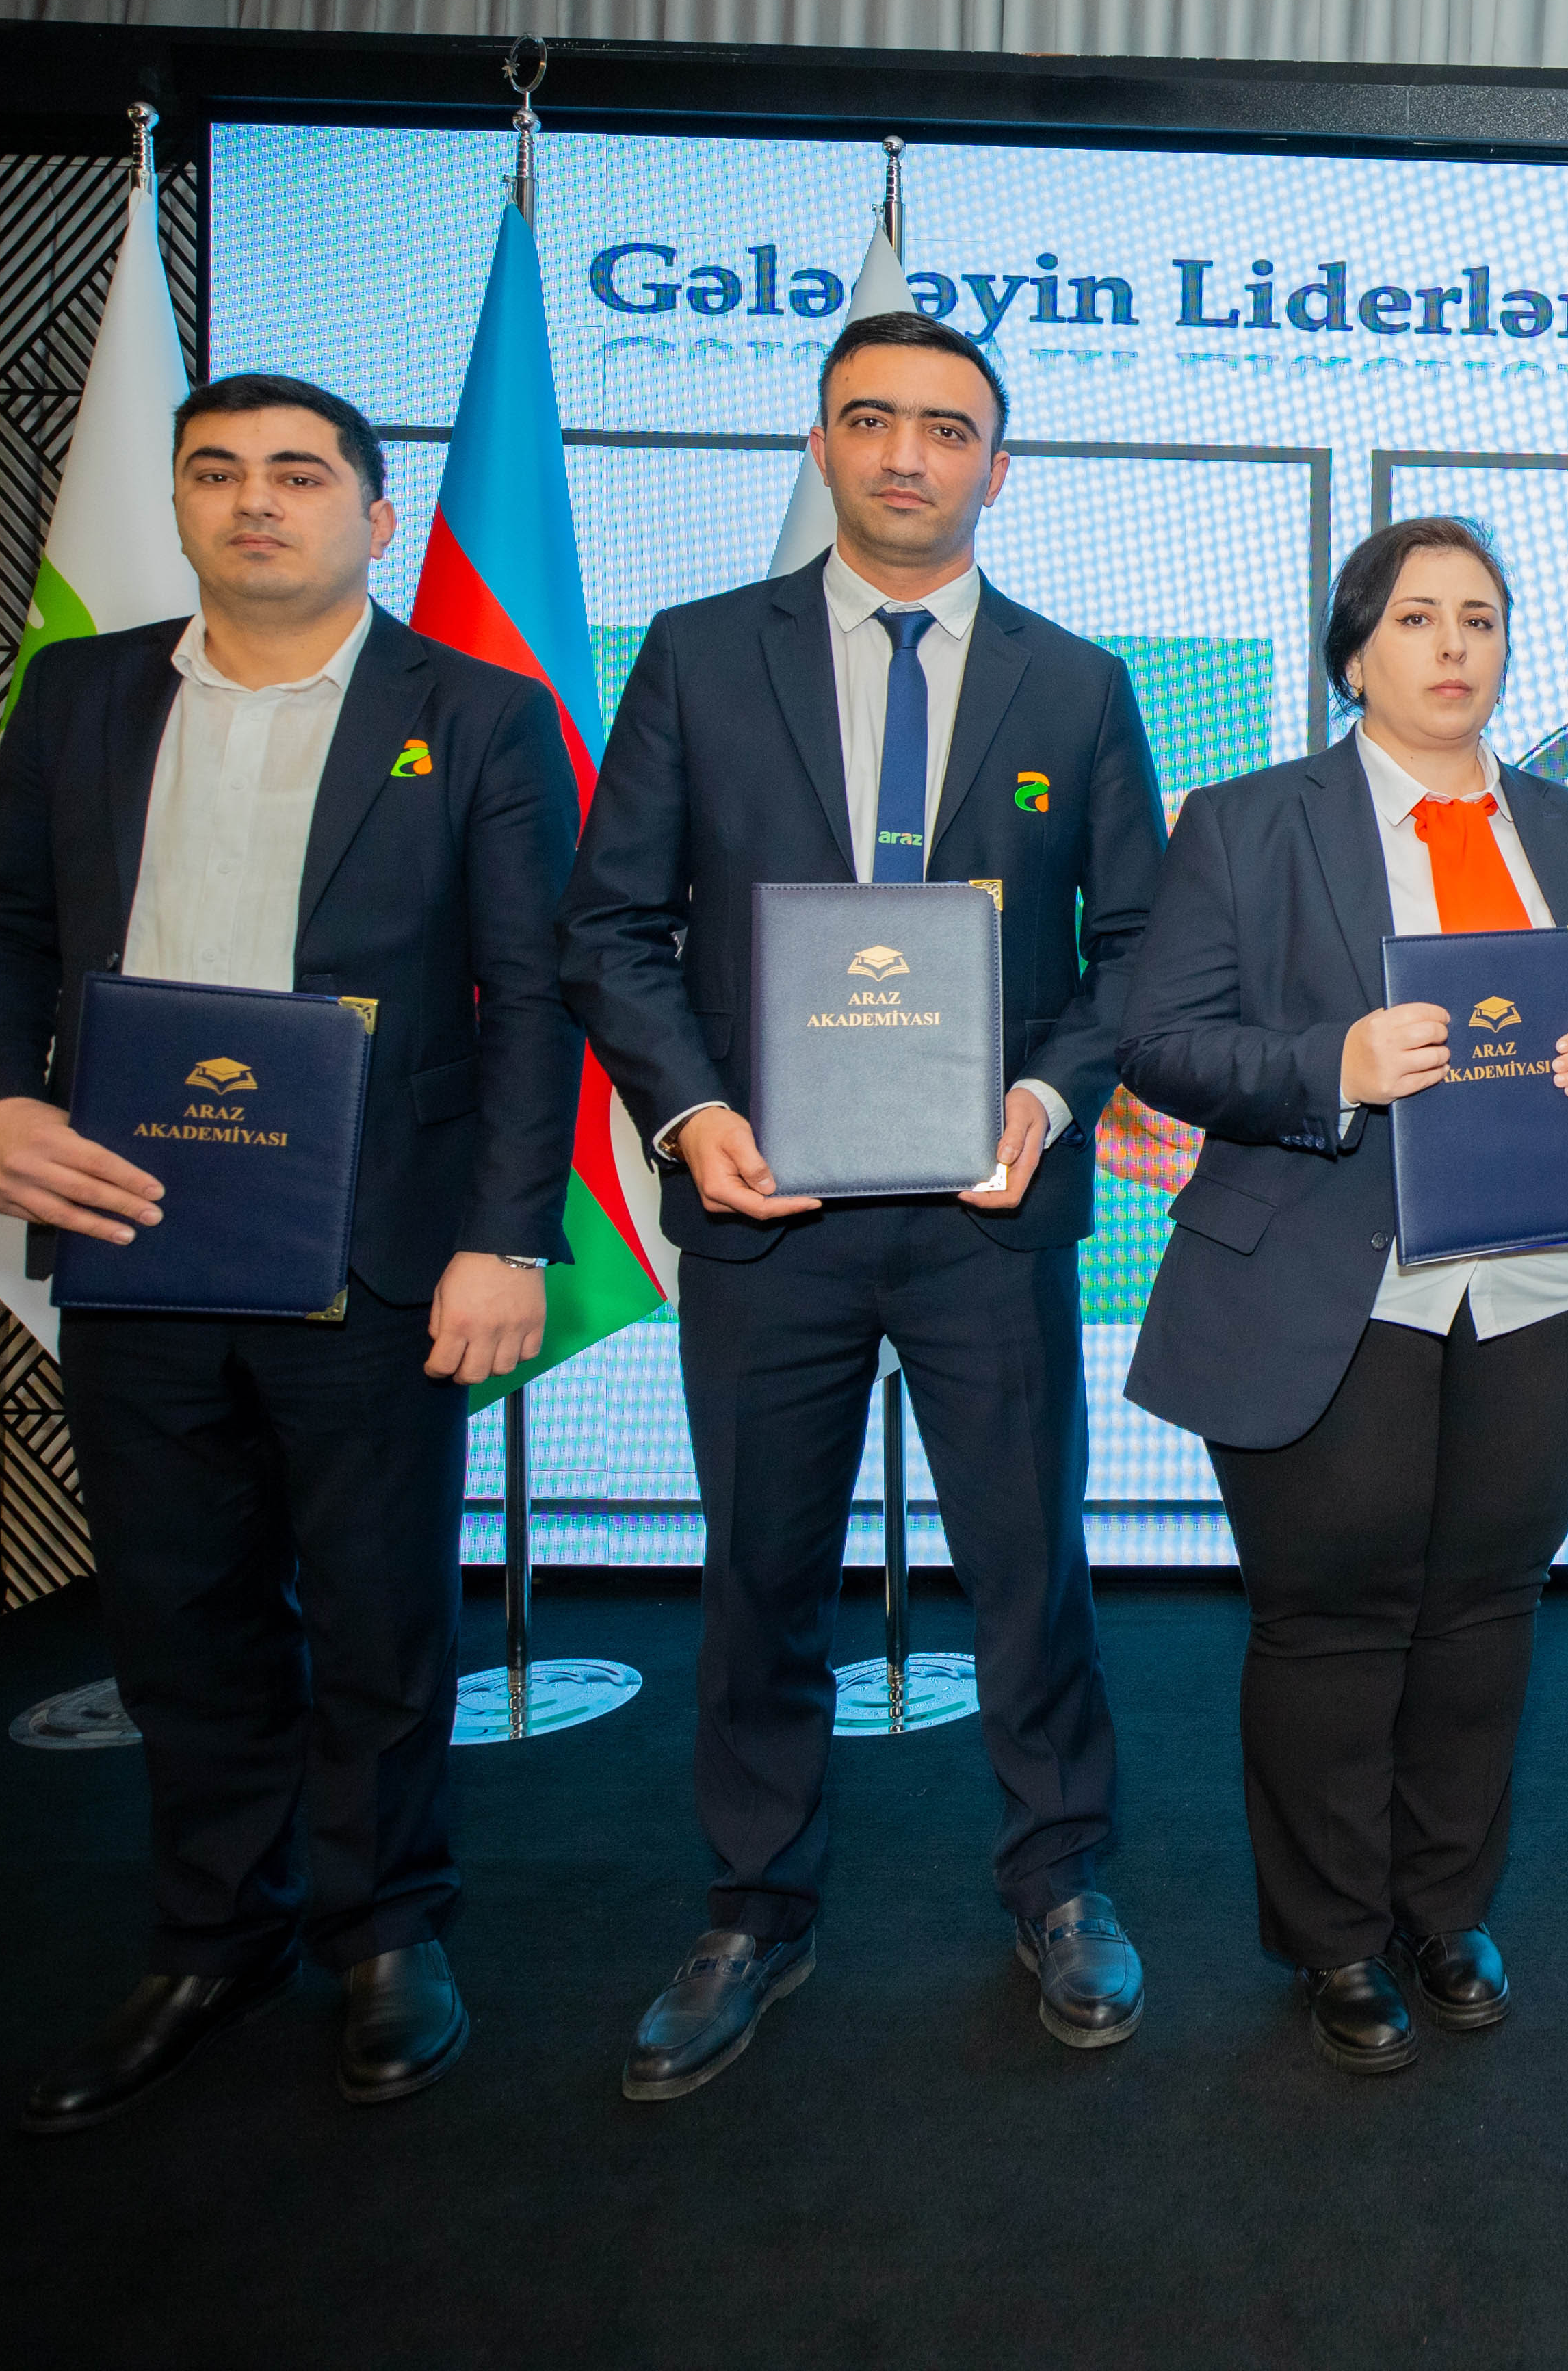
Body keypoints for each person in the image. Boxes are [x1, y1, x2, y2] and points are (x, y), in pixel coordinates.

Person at [0, 374, 580, 2131]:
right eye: (216, 472)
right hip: (131, 1227)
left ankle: (388, 1932)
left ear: (375, 518)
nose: (255, 502)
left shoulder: (477, 713)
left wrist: (504, 1237)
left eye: (299, 475)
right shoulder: (80, 693)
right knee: (180, 1608)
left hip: (374, 1240)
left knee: (378, 1611)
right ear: (179, 505)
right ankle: (213, 1934)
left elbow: (531, 996)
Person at [557, 309, 1167, 2099]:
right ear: (818, 445)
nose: (909, 454)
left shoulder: (1078, 685)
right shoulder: (694, 656)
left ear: (1001, 465)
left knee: (1029, 1569)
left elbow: (1137, 947)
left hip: (993, 1214)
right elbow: (612, 927)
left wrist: (1048, 1097)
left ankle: (1062, 1882)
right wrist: (691, 1116)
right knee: (761, 1574)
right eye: (873, 420)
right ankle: (756, 1907)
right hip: (767, 1212)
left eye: (948, 428)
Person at [1110, 517, 1568, 2075]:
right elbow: (1160, 1042)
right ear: (1353, 651)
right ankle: (1335, 1938)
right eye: (1418, 617)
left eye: (1480, 618)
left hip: (1544, 1284)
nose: (1453, 646)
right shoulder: (1246, 822)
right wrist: (1334, 1064)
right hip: (1331, 1280)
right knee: (1331, 1617)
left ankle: (1444, 1906)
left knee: (1488, 1608)